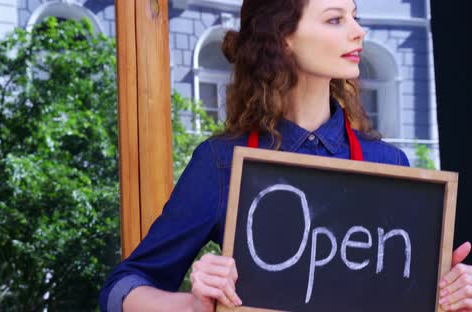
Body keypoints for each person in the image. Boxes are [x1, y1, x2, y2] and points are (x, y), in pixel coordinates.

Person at [99, 0, 472, 311]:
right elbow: (120, 288)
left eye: (355, 16)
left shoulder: (388, 166)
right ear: (283, 37)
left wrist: (449, 295)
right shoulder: (221, 162)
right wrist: (196, 305)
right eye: (335, 19)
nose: (358, 31)